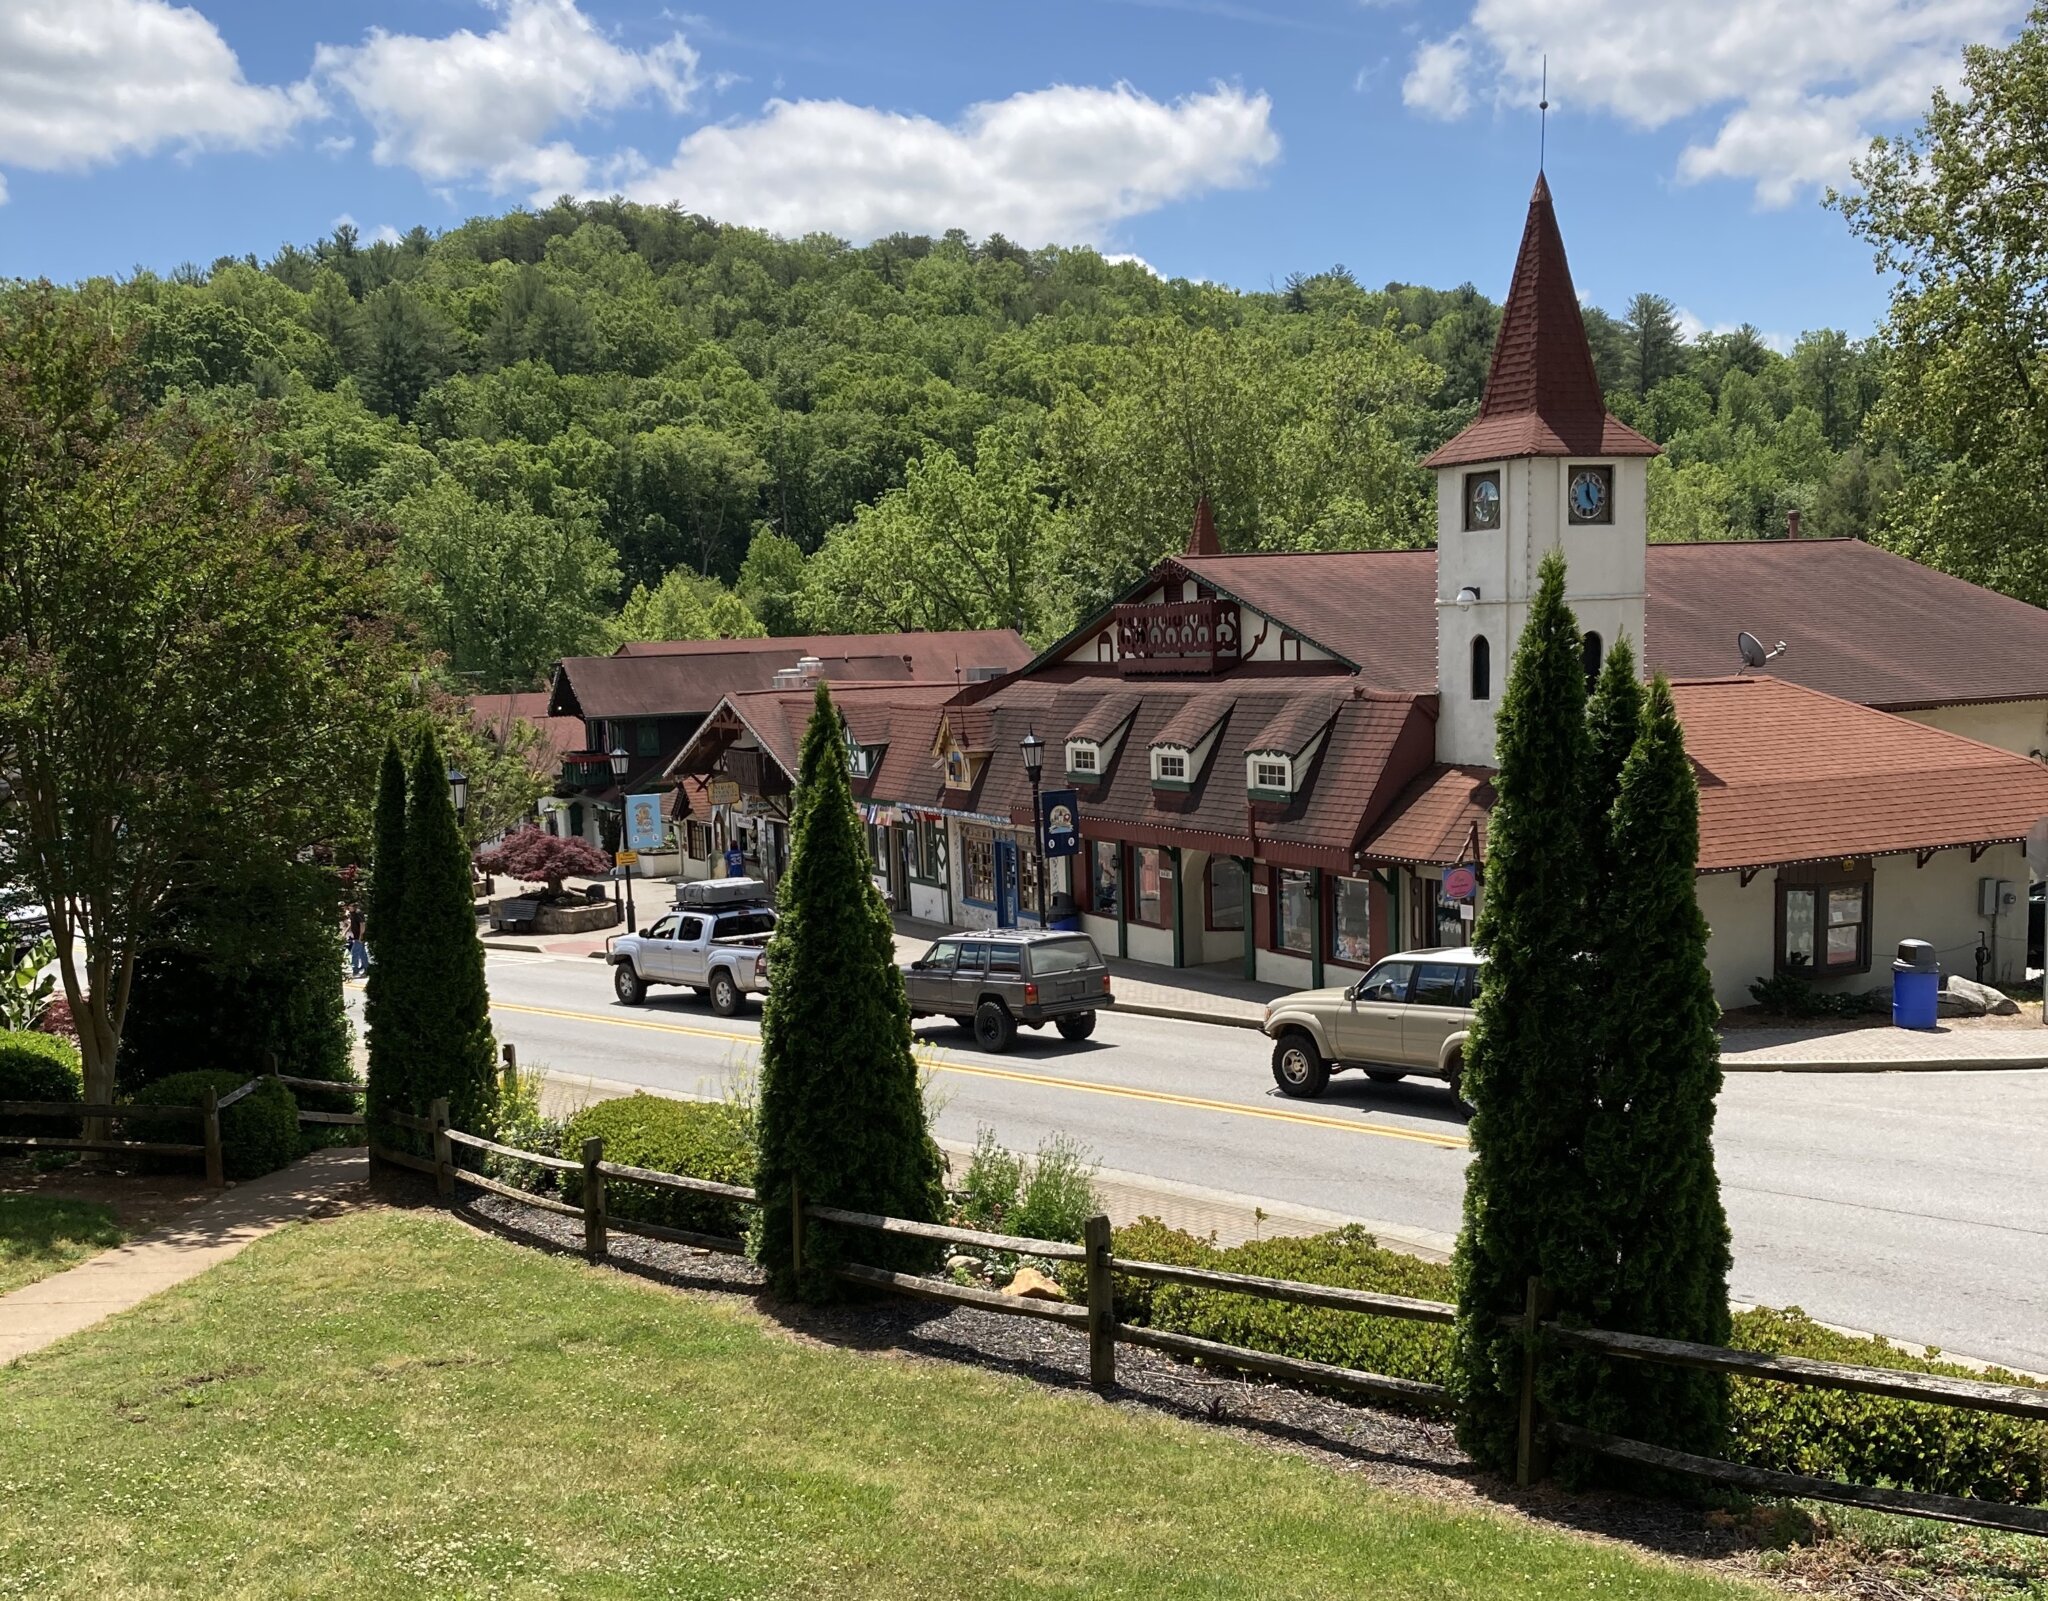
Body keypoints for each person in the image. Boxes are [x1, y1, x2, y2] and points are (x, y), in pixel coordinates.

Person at [344, 903, 368, 976]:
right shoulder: (353, 913)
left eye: (350, 906)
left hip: (359, 937)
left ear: (353, 906)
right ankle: (366, 969)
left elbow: (362, 924)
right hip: (356, 936)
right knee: (362, 953)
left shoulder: (358, 913)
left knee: (354, 953)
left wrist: (361, 935)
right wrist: (345, 932)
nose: (348, 908)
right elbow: (352, 924)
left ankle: (355, 971)